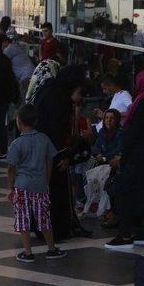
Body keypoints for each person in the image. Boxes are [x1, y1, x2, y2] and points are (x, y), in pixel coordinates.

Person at [105, 68, 144, 249]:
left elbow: (133, 133)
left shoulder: (143, 102)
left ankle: (124, 234)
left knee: (125, 192)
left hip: (137, 158)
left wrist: (123, 154)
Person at [34, 65, 91, 240]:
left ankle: (41, 228)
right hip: (54, 152)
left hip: (39, 149)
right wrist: (65, 154)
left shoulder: (46, 90)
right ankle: (57, 229)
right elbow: (58, 129)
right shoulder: (60, 98)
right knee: (58, 192)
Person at [6, 104, 67, 262]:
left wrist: (10, 188)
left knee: (23, 219)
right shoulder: (44, 139)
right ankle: (52, 249)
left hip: (22, 186)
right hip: (40, 186)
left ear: (19, 122)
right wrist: (46, 180)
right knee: (44, 219)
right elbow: (50, 160)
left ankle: (28, 253)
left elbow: (11, 168)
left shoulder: (17, 144)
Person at [2, 36, 35, 101]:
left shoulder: (9, 48)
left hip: (26, 76)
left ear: (5, 42)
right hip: (29, 74)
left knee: (25, 99)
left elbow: (1, 60)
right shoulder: (14, 47)